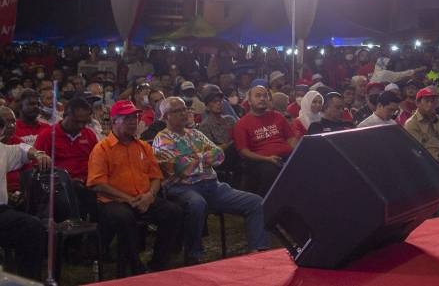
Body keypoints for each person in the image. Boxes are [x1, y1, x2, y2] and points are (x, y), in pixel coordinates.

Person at [152, 97, 268, 264]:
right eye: (178, 111)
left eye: (185, 109)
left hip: (213, 186)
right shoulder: (162, 139)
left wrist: (193, 159)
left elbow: (220, 155)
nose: (184, 113)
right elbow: (180, 168)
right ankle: (194, 254)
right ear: (165, 116)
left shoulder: (195, 133)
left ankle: (258, 249)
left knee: (255, 202)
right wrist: (203, 158)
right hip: (182, 188)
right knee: (197, 204)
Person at [87, 100, 183, 275]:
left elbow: (156, 177)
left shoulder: (143, 147)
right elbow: (97, 184)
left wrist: (150, 195)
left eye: (135, 118)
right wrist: (128, 199)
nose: (133, 122)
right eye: (127, 118)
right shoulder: (102, 149)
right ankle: (135, 267)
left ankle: (158, 264)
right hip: (113, 201)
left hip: (143, 198)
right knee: (124, 218)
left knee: (173, 212)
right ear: (114, 121)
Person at [0, 106, 50, 281]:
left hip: (2, 212)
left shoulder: (2, 150)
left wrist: (38, 154)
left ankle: (27, 281)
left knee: (33, 227)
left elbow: (22, 149)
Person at [34, 96, 100, 219]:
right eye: (76, 121)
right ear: (65, 115)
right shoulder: (47, 136)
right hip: (59, 186)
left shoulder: (89, 134)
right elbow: (40, 170)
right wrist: (66, 181)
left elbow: (96, 163)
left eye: (84, 122)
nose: (81, 125)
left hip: (88, 183)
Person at [232, 85, 299, 196]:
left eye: (265, 96)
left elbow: (291, 138)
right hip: (261, 161)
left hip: (286, 156)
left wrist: (297, 154)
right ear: (249, 101)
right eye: (258, 96)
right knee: (270, 171)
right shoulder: (241, 124)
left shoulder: (278, 116)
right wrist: (267, 159)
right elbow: (243, 151)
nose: (262, 98)